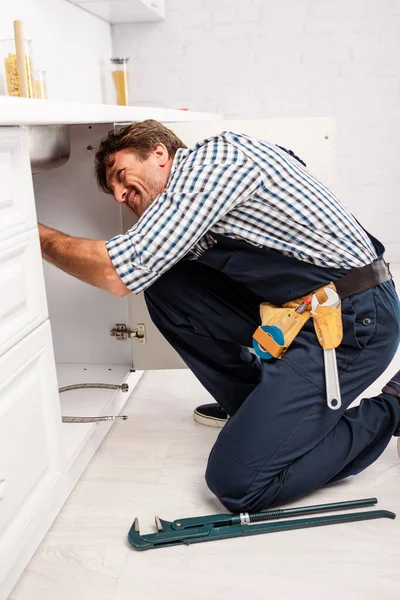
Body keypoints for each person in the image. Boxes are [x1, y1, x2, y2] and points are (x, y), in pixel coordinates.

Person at [38, 119, 400, 513]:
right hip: (304, 313)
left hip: (353, 322)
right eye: (115, 191)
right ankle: (260, 412)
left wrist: (31, 231)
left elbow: (117, 271)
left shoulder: (212, 165)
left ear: (159, 152)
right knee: (166, 285)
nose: (121, 196)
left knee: (237, 483)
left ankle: (392, 407)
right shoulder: (191, 194)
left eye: (121, 176)